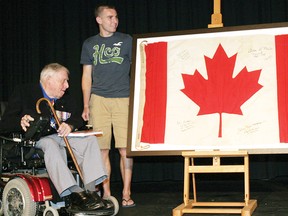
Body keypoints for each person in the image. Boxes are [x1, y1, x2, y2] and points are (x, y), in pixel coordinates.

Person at [0, 63, 113, 214]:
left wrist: (70, 125)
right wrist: (20, 121)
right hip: (35, 140)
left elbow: (79, 118)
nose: (67, 85)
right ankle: (73, 194)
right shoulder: (24, 92)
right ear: (49, 79)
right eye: (63, 81)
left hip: (61, 136)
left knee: (90, 140)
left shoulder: (65, 98)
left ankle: (91, 192)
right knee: (51, 144)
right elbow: (5, 124)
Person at [80, 5, 135, 207]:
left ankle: (126, 193)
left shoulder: (127, 40)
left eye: (116, 17)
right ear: (99, 20)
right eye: (110, 17)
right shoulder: (89, 44)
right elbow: (87, 76)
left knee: (125, 150)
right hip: (99, 100)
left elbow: (138, 66)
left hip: (123, 99)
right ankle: (107, 193)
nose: (115, 21)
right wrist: (86, 104)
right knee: (102, 150)